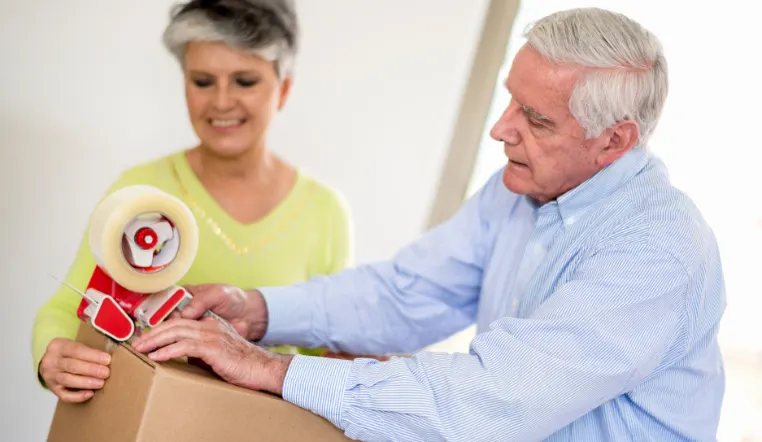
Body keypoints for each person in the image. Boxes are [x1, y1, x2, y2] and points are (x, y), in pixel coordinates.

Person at [132, 7, 726, 441]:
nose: (500, 129)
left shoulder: (656, 251)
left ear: (614, 141)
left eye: (536, 119)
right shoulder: (519, 187)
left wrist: (272, 368)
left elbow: (494, 402)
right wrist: (260, 310)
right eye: (510, 99)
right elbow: (405, 295)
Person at [32, 0, 356, 404]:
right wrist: (53, 356)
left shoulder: (325, 213)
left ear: (283, 89)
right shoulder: (140, 188)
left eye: (245, 81)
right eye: (203, 81)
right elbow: (66, 306)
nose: (221, 102)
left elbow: (317, 352)